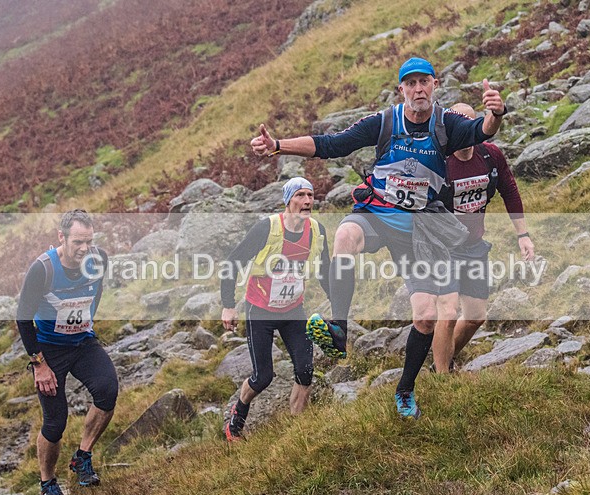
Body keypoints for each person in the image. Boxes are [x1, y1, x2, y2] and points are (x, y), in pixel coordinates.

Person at [250, 57, 507, 419]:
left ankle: (405, 390)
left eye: (424, 82)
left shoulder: (446, 124)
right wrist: (278, 144)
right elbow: (332, 144)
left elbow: (482, 131)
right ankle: (339, 329)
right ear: (401, 89)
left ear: (434, 85)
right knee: (345, 234)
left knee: (425, 318)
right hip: (377, 213)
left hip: (420, 229)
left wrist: (496, 112)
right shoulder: (385, 122)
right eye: (410, 83)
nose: (418, 89)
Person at [16, 209, 118, 495]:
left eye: (89, 241)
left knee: (108, 391)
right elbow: (23, 318)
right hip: (49, 350)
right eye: (78, 242)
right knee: (55, 422)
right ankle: (48, 484)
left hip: (82, 342)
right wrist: (39, 365)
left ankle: (82, 458)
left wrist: (87, 323)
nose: (84, 248)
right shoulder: (43, 269)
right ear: (61, 237)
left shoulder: (98, 259)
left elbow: (96, 291)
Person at [220, 177, 331, 441]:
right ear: (288, 200)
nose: (307, 201)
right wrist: (228, 306)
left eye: (310, 195)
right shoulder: (266, 228)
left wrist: (337, 305)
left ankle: (296, 433)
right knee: (263, 377)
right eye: (300, 195)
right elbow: (232, 262)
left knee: (305, 371)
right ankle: (236, 420)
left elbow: (325, 270)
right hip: (260, 311)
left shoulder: (317, 230)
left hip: (293, 310)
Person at [432, 103, 535, 372]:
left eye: (470, 125)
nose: (465, 132)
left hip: (474, 246)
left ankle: (441, 362)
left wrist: (523, 235)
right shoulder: (438, 161)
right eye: (458, 127)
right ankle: (441, 379)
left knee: (476, 317)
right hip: (442, 249)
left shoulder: (490, 155)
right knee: (448, 312)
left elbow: (509, 190)